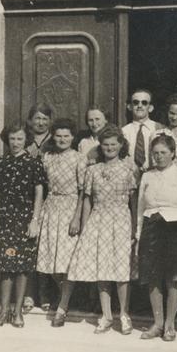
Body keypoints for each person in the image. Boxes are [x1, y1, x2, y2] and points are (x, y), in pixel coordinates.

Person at [62, 125, 138, 334]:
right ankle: (106, 315)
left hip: (121, 220)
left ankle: (124, 314)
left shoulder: (129, 169)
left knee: (122, 270)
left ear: (121, 145)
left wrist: (135, 227)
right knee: (102, 268)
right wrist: (85, 226)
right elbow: (88, 200)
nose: (109, 148)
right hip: (98, 220)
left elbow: (134, 202)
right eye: (105, 145)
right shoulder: (93, 170)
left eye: (113, 144)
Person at [135, 134, 177, 342]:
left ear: (173, 153)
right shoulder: (147, 176)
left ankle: (170, 324)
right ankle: (158, 323)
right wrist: (138, 233)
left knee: (173, 278)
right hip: (150, 227)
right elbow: (140, 207)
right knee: (152, 277)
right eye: (155, 153)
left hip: (173, 227)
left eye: (163, 152)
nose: (159, 157)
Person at [0, 123, 46, 327]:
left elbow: (39, 193)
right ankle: (4, 312)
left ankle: (18, 312)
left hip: (25, 220)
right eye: (12, 138)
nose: (16, 143)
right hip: (4, 219)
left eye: (20, 138)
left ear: (26, 140)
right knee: (5, 265)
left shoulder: (34, 163)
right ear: (7, 140)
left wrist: (34, 221)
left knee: (21, 266)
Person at [35, 120, 85, 327]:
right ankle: (64, 296)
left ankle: (62, 307)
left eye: (66, 136)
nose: (62, 139)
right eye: (58, 136)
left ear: (72, 137)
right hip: (51, 208)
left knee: (67, 261)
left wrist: (77, 217)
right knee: (52, 261)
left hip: (70, 209)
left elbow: (83, 191)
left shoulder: (79, 158)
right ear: (53, 137)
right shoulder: (47, 157)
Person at [23, 103, 55, 312]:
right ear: (30, 121)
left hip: (50, 199)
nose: (41, 122)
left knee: (45, 247)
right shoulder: (24, 140)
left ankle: (45, 293)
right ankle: (28, 294)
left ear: (50, 121)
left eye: (44, 118)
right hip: (27, 198)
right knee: (29, 246)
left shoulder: (55, 141)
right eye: (37, 118)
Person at [122, 88, 162, 172]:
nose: (139, 105)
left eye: (144, 103)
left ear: (150, 108)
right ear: (129, 107)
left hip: (155, 174)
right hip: (130, 175)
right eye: (136, 102)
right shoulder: (123, 132)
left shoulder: (159, 129)